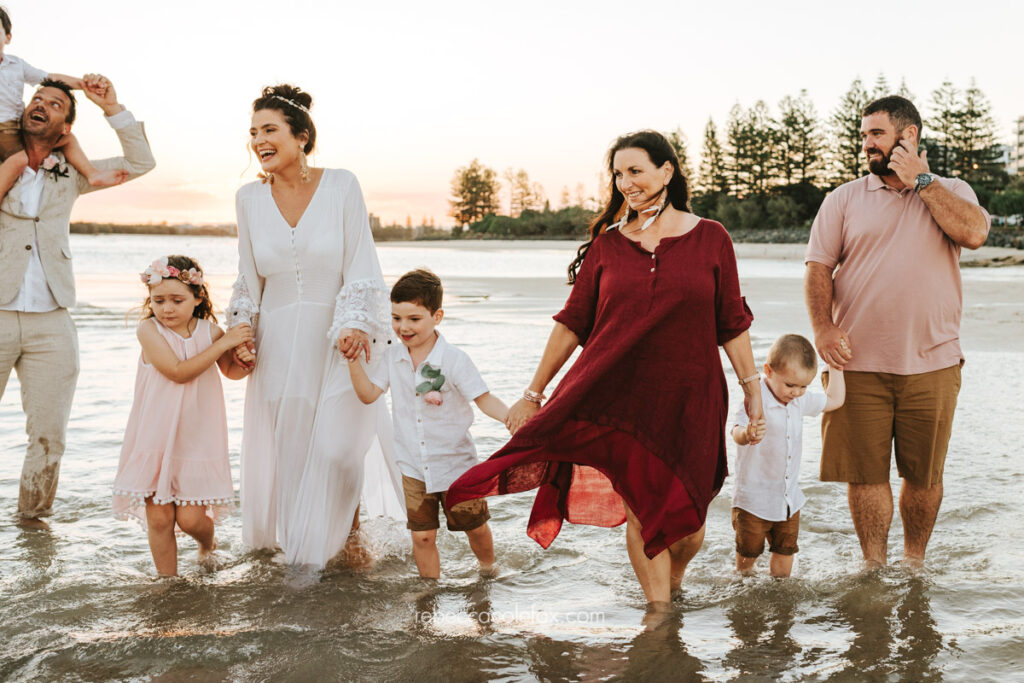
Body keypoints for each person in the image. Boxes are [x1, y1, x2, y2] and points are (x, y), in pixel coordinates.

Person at [447, 130, 764, 610]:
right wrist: (533, 393)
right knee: (642, 509)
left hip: (692, 399)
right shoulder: (609, 246)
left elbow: (732, 322)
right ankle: (659, 616)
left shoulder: (712, 238)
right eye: (618, 174)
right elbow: (572, 323)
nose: (625, 183)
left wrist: (752, 390)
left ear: (667, 171)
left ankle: (674, 580)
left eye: (635, 171)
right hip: (621, 398)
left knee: (691, 523)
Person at [804, 95, 990, 569]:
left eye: (876, 134)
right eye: (864, 135)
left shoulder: (952, 189)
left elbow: (974, 234)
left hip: (933, 361)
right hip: (856, 361)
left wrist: (921, 181)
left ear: (908, 136)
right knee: (864, 475)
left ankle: (914, 566)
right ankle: (873, 569)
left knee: (924, 475)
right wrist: (823, 328)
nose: (866, 143)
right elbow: (818, 267)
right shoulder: (843, 199)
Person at [226, 84, 403, 569]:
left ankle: (351, 533)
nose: (259, 141)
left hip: (339, 338)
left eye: (270, 130)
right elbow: (248, 277)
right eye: (253, 133)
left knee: (339, 447)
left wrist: (355, 324)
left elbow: (361, 263)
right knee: (291, 448)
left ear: (301, 136)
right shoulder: (248, 199)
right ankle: (303, 552)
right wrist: (241, 333)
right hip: (277, 342)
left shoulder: (342, 185)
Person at [0, 75, 155, 528]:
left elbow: (141, 162)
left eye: (54, 103)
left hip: (53, 320)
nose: (41, 104)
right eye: (37, 98)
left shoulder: (71, 171)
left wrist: (112, 108)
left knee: (50, 435)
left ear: (65, 127)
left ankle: (34, 526)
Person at [347, 269, 508, 579]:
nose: (403, 327)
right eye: (396, 318)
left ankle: (489, 570)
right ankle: (429, 589)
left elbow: (484, 399)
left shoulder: (455, 359)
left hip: (456, 465)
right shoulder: (392, 358)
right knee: (421, 536)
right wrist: (352, 362)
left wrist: (511, 418)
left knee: (474, 527)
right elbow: (368, 395)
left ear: (437, 317)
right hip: (413, 467)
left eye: (414, 319)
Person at [113, 256, 252, 576]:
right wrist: (225, 343)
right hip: (155, 437)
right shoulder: (149, 330)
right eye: (158, 300)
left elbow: (231, 372)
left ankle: (207, 545)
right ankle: (168, 583)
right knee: (160, 517)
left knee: (190, 520)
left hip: (196, 439)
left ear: (198, 298)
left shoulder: (211, 333)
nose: (167, 309)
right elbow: (177, 372)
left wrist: (245, 357)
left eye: (177, 300)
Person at [730, 334, 845, 578]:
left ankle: (780, 590)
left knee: (785, 551)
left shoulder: (799, 401)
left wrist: (836, 366)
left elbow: (835, 400)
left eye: (804, 387)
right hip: (752, 501)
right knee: (747, 559)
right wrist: (747, 434)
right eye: (790, 385)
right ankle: (744, 585)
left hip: (788, 501)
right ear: (768, 371)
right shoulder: (756, 397)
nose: (796, 393)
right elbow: (735, 431)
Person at [0, 7, 126, 193]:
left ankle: (92, 174)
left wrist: (84, 84)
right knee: (19, 160)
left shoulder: (16, 65)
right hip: (3, 129)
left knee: (67, 138)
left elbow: (49, 77)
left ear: (8, 37)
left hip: (20, 124)